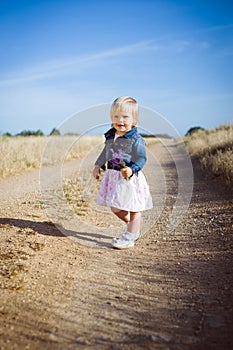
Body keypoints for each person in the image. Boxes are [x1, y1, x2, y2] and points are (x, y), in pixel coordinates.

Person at [93, 96, 153, 249]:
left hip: (129, 178)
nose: (120, 120)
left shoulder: (136, 139)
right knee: (116, 207)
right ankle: (133, 226)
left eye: (125, 117)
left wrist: (132, 169)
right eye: (116, 117)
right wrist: (97, 165)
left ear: (134, 119)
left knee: (133, 207)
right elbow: (105, 152)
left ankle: (130, 236)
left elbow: (142, 158)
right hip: (114, 177)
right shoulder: (111, 135)